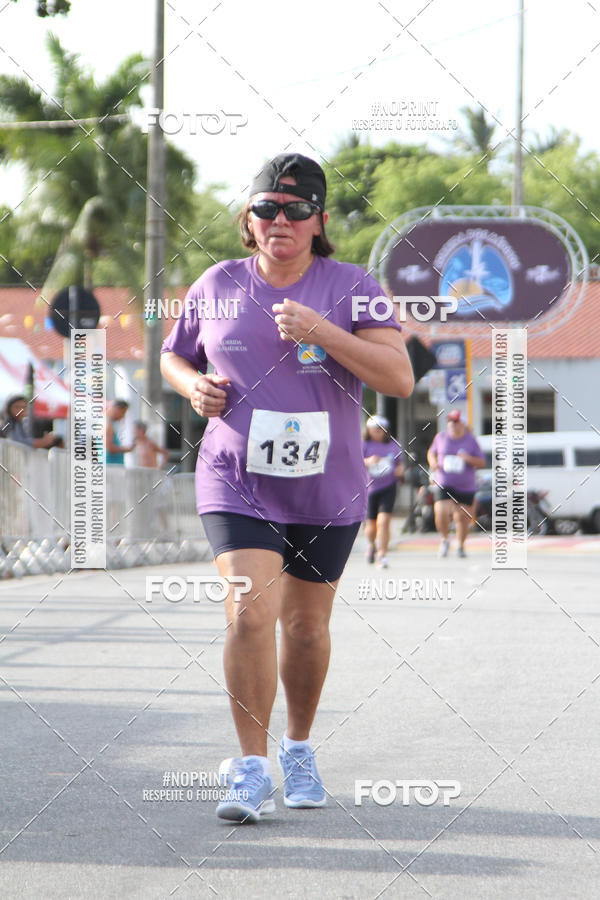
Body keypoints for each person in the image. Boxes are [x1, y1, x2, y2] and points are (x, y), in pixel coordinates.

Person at [160, 152, 414, 823]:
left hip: (325, 488)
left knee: (304, 629)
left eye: (296, 209)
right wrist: (195, 388)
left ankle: (297, 747)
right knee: (249, 612)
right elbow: (174, 354)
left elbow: (398, 378)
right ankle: (250, 768)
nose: (281, 219)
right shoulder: (216, 283)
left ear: (318, 220)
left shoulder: (353, 286)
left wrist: (322, 331)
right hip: (236, 479)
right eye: (267, 206)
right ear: (249, 217)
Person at [426, 410, 485, 558]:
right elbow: (431, 452)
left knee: (462, 518)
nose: (452, 424)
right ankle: (445, 539)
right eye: (450, 421)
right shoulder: (441, 437)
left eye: (456, 421)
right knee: (440, 511)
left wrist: (467, 458)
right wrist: (433, 462)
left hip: (466, 485)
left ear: (463, 424)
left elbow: (481, 461)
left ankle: (460, 545)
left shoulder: (471, 440)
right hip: (444, 482)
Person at [362, 414, 404, 568]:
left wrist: (400, 470)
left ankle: (382, 554)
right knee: (371, 525)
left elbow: (400, 464)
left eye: (380, 430)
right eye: (374, 430)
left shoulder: (393, 445)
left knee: (384, 522)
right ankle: (371, 545)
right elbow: (354, 462)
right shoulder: (364, 444)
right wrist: (368, 461)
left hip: (388, 487)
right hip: (370, 488)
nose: (377, 432)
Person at [105, 399, 134, 464]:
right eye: (123, 412)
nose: (123, 416)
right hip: (111, 465)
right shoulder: (107, 425)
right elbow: (109, 448)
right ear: (117, 409)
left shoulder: (108, 423)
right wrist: (127, 449)